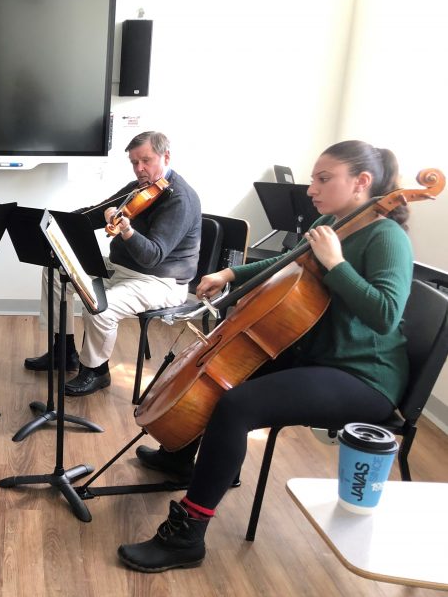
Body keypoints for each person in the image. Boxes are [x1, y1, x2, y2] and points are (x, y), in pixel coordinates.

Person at [118, 140, 413, 572]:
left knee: (238, 405)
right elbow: (288, 263)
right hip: (315, 352)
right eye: (314, 178)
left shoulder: (386, 236)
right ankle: (182, 458)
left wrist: (337, 265)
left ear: (361, 182)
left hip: (362, 376)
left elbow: (386, 315)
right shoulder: (336, 221)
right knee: (225, 374)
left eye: (323, 179)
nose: (311, 188)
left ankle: (188, 535)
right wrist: (230, 272)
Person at [22, 131, 202, 397]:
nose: (139, 168)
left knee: (101, 307)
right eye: (134, 162)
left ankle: (96, 371)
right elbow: (94, 214)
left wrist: (127, 231)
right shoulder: (139, 188)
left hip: (159, 281)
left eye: (146, 160)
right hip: (123, 269)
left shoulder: (180, 199)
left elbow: (152, 256)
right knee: (55, 270)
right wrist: (54, 223)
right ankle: (64, 352)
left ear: (166, 156)